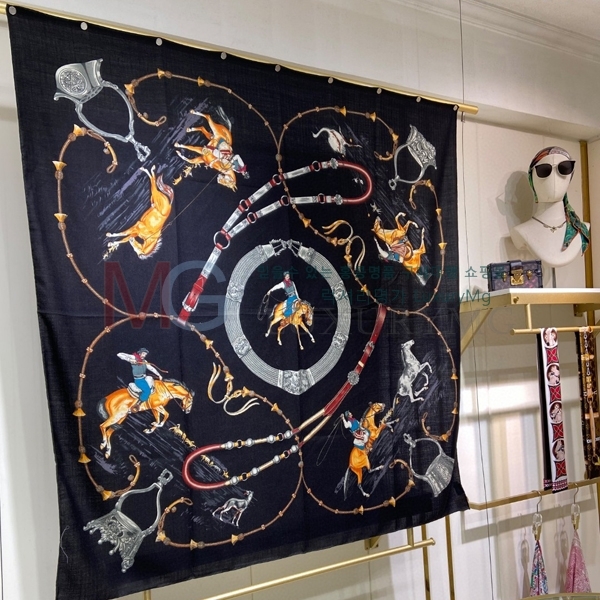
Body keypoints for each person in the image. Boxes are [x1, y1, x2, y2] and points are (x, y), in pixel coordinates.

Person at [510, 147, 590, 268]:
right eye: (544, 170)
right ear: (532, 179)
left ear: (571, 176)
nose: (554, 177)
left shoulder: (581, 228)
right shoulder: (520, 232)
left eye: (564, 168)